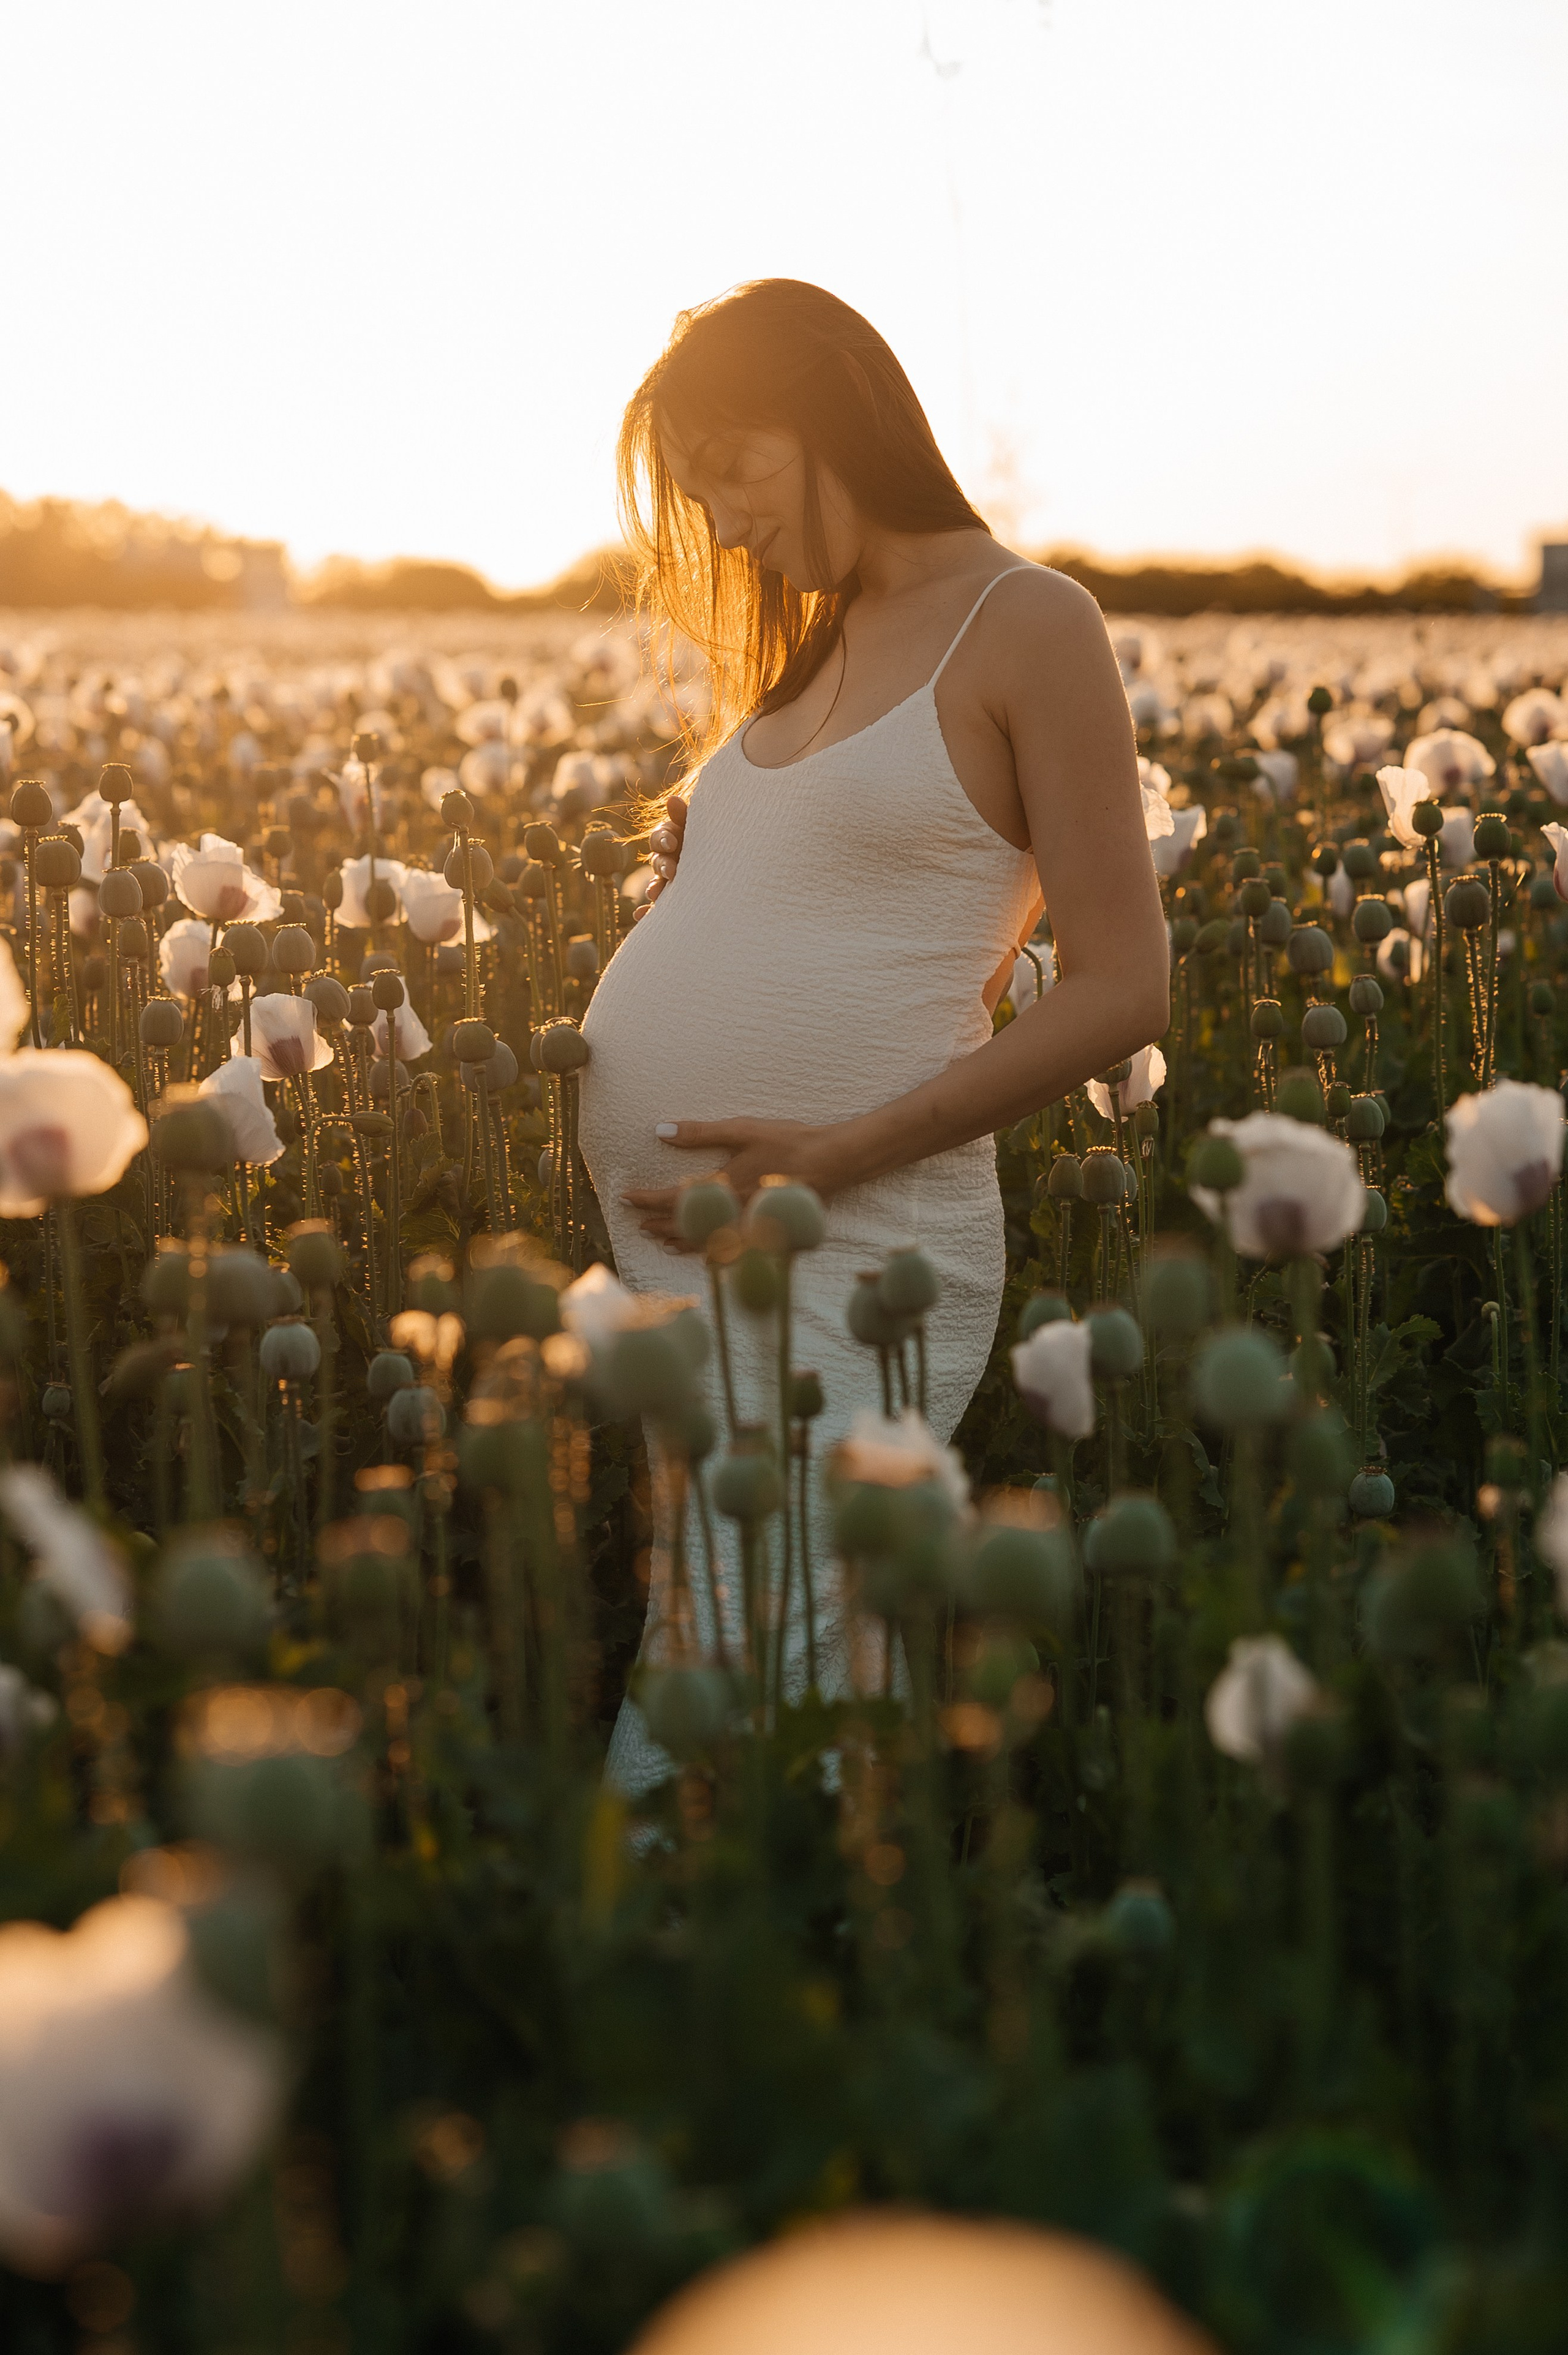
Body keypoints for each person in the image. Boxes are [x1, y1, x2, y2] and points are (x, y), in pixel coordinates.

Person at [577, 278, 1168, 1788]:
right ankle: (800, 1966)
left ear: (836, 409)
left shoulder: (1027, 621)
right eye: (691, 486)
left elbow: (1120, 987)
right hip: (704, 1255)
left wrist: (831, 1154)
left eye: (734, 464)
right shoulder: (817, 641)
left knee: (751, 1653)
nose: (715, 520)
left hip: (848, 1241)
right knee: (750, 1646)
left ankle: (691, 1967)